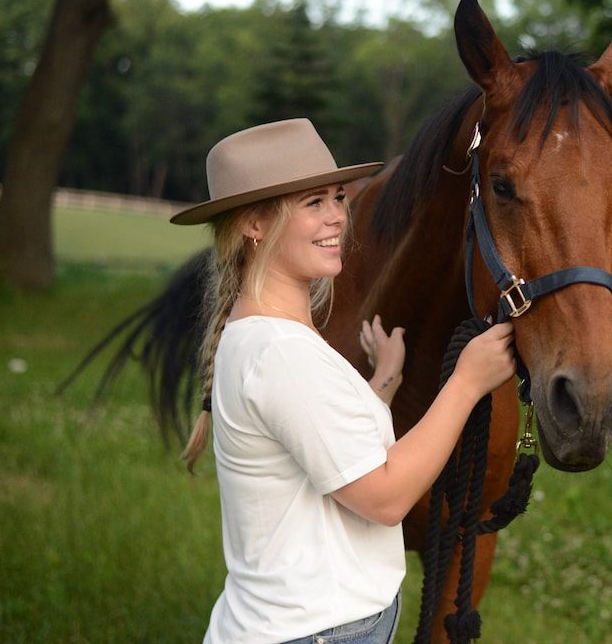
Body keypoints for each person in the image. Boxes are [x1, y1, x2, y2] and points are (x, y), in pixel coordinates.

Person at [170, 118, 517, 644]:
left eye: (336, 196)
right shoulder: (283, 354)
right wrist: (467, 383)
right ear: (255, 224)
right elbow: (383, 498)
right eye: (313, 203)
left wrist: (381, 383)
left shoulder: (263, 336)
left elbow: (325, 446)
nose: (338, 216)